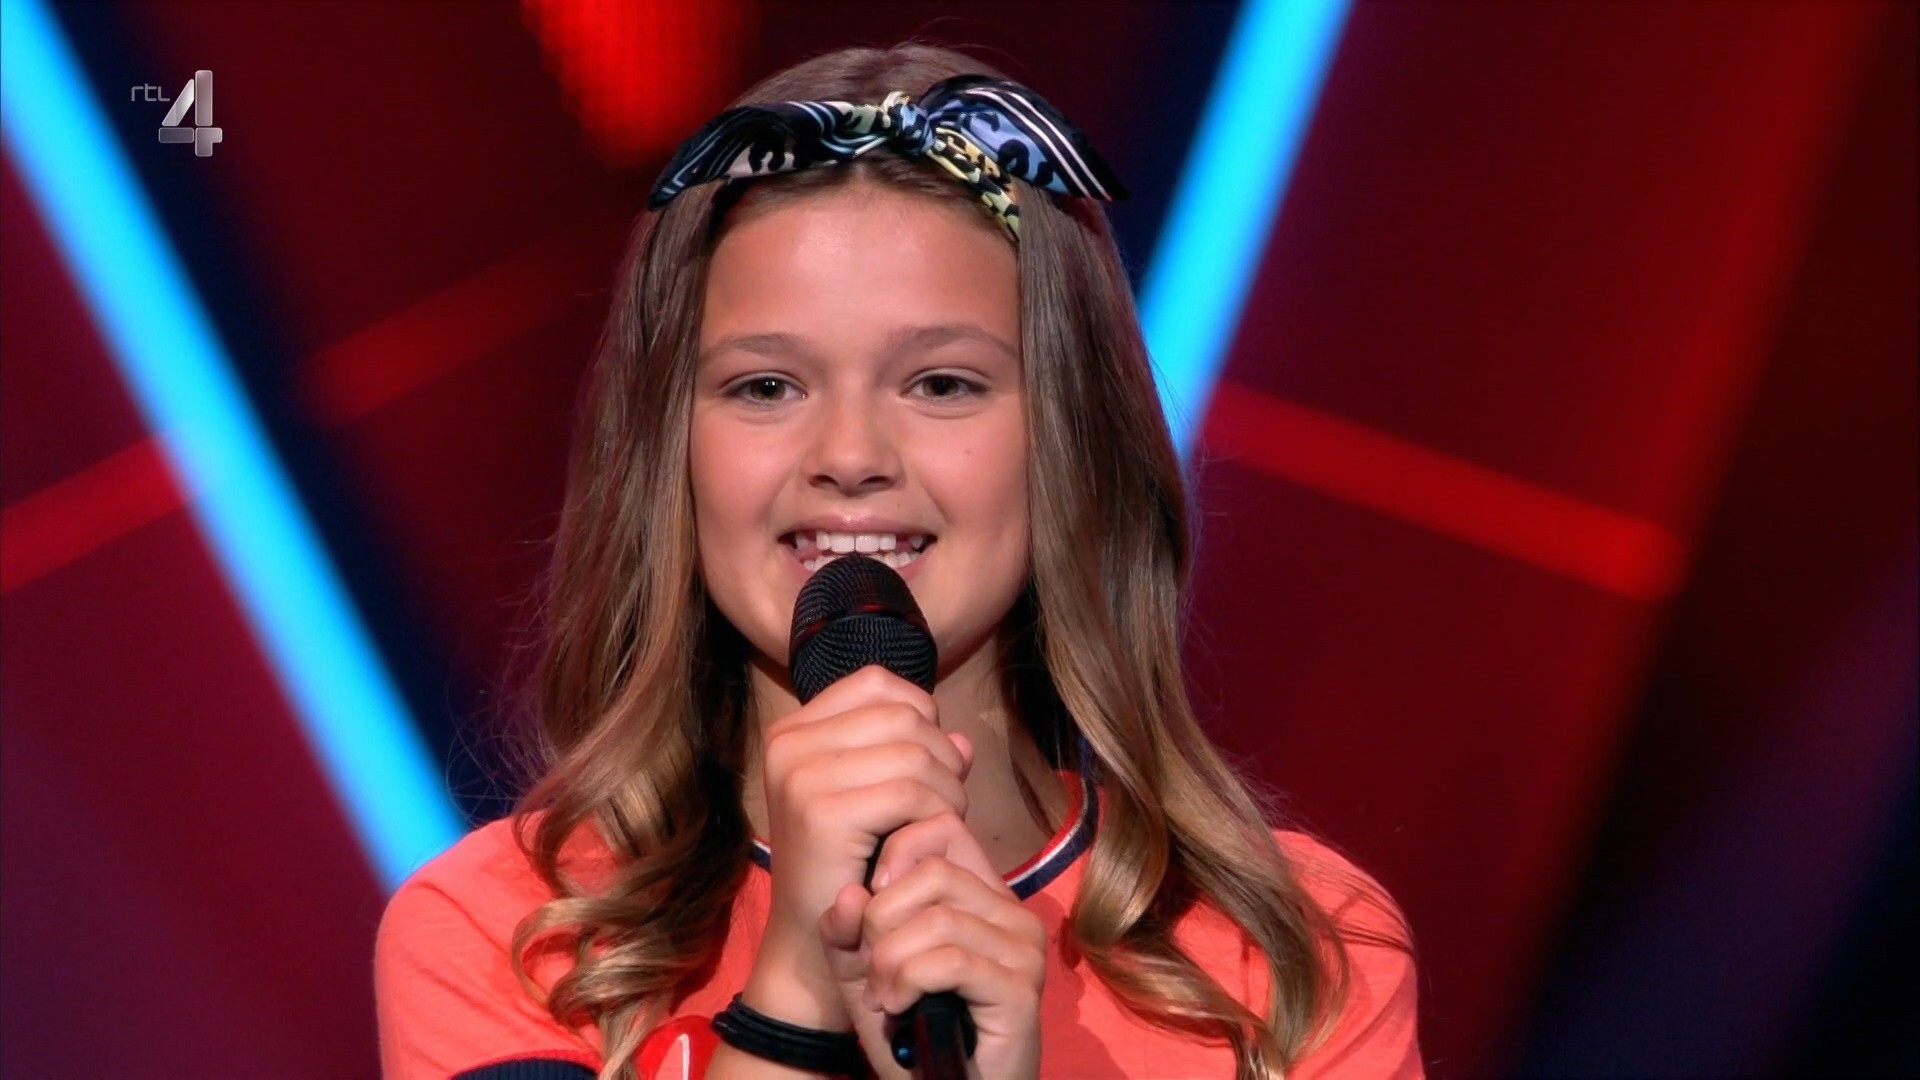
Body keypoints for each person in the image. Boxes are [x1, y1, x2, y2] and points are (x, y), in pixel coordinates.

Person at [375, 41, 1422, 1080]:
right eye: (766, 387)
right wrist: (796, 997)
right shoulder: (511, 937)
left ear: (1072, 440)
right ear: (666, 452)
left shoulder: (1289, 960)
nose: (849, 456)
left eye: (941, 384)